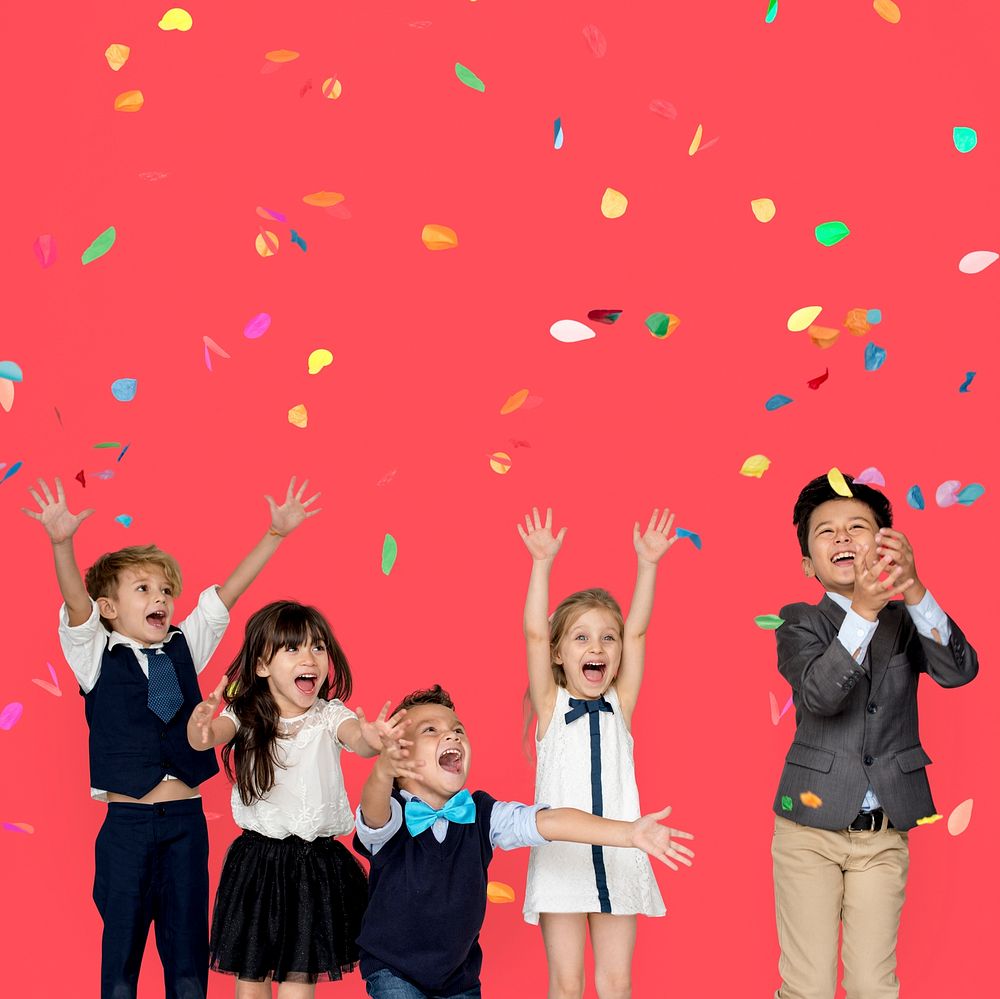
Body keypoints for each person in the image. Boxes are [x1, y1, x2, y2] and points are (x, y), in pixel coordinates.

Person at [23, 474, 320, 999]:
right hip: (127, 827)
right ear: (109, 609)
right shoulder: (93, 653)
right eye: (144, 589)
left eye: (165, 590)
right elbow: (76, 603)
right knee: (120, 963)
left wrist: (274, 535)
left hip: (185, 826)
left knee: (187, 965)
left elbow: (227, 593)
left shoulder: (185, 644)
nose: (161, 598)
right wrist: (62, 543)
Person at [771, 472, 979, 999]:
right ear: (807, 565)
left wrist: (914, 590)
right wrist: (862, 609)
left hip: (884, 832)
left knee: (873, 983)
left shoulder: (908, 619)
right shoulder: (797, 624)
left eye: (858, 526)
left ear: (885, 543)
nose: (843, 538)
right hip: (808, 832)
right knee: (809, 986)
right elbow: (821, 695)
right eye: (827, 532)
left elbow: (959, 672)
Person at [353, 684, 694, 999]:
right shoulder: (392, 815)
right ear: (398, 757)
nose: (452, 736)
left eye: (458, 730)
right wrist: (382, 771)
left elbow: (550, 822)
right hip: (393, 969)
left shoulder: (483, 813)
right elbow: (373, 808)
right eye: (431, 730)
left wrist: (628, 832)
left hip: (457, 976)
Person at [188, 600, 395, 997]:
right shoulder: (244, 714)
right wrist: (200, 725)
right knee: (251, 982)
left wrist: (373, 738)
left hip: (312, 867)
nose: (310, 657)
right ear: (262, 666)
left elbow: (359, 739)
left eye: (318, 647)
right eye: (293, 648)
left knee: (299, 985)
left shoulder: (329, 715)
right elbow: (207, 739)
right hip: (256, 864)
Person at [517, 506, 682, 999]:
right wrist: (542, 563)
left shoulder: (620, 703)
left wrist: (648, 565)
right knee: (565, 985)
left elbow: (637, 632)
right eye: (582, 637)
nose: (598, 647)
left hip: (622, 853)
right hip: (560, 858)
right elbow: (532, 632)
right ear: (558, 651)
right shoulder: (550, 704)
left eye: (606, 639)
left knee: (615, 982)